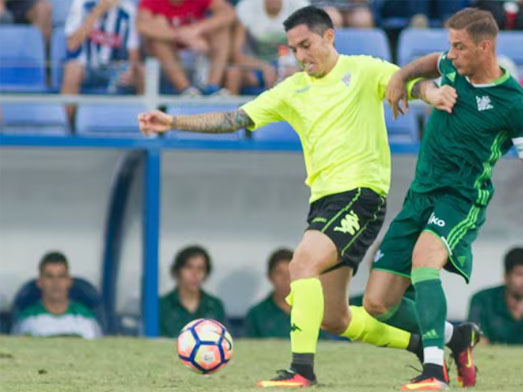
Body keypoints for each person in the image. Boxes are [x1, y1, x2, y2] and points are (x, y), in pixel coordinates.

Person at [138, 6, 446, 388]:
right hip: (324, 203)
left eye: (306, 45)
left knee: (301, 264)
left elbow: (410, 84)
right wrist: (173, 122)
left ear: (329, 37)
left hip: (361, 196)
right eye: (293, 49)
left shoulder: (364, 69)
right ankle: (428, 342)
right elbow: (235, 119)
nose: (301, 56)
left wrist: (433, 93)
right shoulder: (293, 89)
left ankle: (302, 370)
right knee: (335, 318)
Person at [364, 8, 523, 390]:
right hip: (419, 197)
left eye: (460, 47)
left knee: (424, 263)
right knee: (377, 304)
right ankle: (456, 338)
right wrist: (401, 75)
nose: (452, 53)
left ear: (485, 47)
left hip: (461, 200)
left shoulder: (514, 104)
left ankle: (433, 372)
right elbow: (432, 61)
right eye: (451, 45)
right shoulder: (452, 65)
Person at [62, 0, 142, 123]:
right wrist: (98, 11)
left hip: (116, 69)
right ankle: (69, 130)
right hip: (87, 68)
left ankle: (148, 131)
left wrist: (131, 71)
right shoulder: (81, 4)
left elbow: (133, 53)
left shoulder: (129, 10)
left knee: (144, 73)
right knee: (72, 69)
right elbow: (72, 44)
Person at [136, 0, 235, 95]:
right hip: (168, 51)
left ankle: (212, 87)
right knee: (157, 35)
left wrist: (197, 29)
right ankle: (186, 90)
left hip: (200, 47)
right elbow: (142, 25)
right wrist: (180, 36)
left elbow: (228, 13)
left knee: (221, 33)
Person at [12, 251, 102, 339]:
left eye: (61, 276)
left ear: (69, 281)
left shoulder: (86, 318)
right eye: (49, 276)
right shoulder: (27, 320)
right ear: (40, 282)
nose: (56, 283)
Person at [227, 0, 308, 93]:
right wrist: (264, 66)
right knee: (233, 73)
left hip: (289, 63)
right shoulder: (247, 7)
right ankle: (231, 106)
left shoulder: (298, 6)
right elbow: (236, 53)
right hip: (255, 65)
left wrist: (296, 67)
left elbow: (308, 48)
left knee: (299, 75)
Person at [159, 245, 226, 338]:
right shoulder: (161, 305)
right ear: (178, 271)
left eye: (200, 268)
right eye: (189, 267)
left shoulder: (215, 305)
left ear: (206, 273)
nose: (195, 274)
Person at [245, 248, 293, 338]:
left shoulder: (312, 310)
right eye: (279, 273)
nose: (286, 278)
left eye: (290, 272)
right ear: (269, 276)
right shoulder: (256, 314)